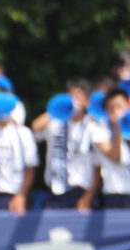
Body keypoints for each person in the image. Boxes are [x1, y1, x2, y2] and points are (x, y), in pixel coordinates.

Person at [33, 81, 95, 209]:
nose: (73, 100)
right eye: (70, 96)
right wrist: (56, 110)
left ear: (87, 101)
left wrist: (89, 196)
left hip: (80, 191)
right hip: (55, 189)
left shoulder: (92, 126)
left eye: (78, 96)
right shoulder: (55, 122)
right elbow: (35, 127)